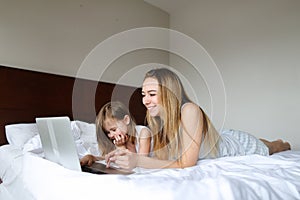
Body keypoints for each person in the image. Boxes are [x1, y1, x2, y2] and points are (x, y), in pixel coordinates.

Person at [105, 68, 291, 170]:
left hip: (236, 144)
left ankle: (280, 143)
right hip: (216, 139)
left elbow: (186, 162)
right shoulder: (158, 120)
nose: (145, 101)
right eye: (144, 94)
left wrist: (137, 160)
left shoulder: (189, 110)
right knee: (266, 143)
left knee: (272, 147)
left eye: (152, 94)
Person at [80, 101, 151, 166]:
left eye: (114, 130)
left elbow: (140, 163)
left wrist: (121, 147)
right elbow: (110, 157)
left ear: (126, 120)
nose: (110, 135)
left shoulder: (144, 133)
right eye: (108, 132)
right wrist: (92, 157)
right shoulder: (119, 139)